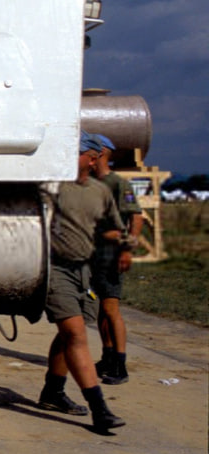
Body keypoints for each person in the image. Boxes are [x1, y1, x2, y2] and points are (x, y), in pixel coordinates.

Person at [36, 132, 125, 431]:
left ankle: (53, 392)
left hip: (85, 271)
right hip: (55, 268)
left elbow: (113, 226)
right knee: (75, 334)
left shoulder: (101, 191)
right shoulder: (49, 186)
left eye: (78, 153)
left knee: (69, 334)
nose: (92, 162)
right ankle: (100, 410)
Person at [90, 133, 143, 385]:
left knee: (111, 309)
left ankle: (120, 365)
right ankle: (107, 357)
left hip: (112, 253)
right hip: (93, 254)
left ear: (100, 153)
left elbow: (136, 216)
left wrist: (127, 249)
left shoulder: (119, 184)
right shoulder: (91, 183)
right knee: (101, 309)